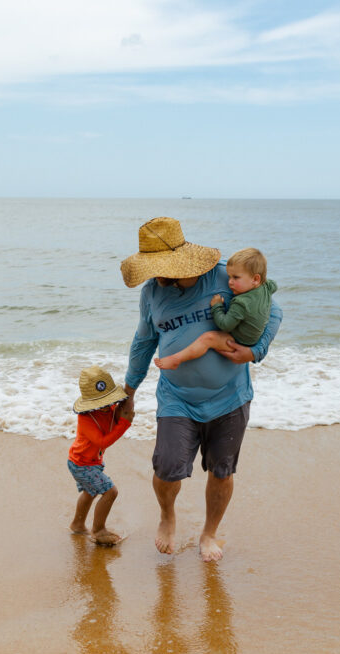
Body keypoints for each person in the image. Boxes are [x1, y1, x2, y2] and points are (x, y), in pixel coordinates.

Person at [119, 217, 282, 561]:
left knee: (222, 471)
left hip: (229, 397)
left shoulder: (227, 277)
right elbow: (144, 341)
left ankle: (209, 534)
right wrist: (129, 391)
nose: (158, 275)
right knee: (166, 467)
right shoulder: (152, 292)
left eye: (163, 267)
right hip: (177, 398)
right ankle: (167, 515)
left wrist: (256, 351)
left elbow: (274, 309)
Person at [154, 247, 278, 371]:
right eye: (229, 277)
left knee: (208, 338)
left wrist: (217, 307)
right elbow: (274, 285)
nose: (230, 282)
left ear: (256, 279)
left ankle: (177, 359)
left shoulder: (241, 303)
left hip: (240, 342)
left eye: (235, 277)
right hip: (254, 336)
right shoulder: (266, 287)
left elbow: (225, 325)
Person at [67, 365, 134, 546]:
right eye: (101, 403)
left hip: (90, 462)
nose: (107, 407)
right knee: (110, 492)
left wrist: (123, 410)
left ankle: (78, 524)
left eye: (109, 401)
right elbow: (102, 442)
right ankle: (98, 530)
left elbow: (119, 411)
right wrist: (124, 424)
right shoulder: (86, 418)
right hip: (81, 464)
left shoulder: (110, 409)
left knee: (90, 492)